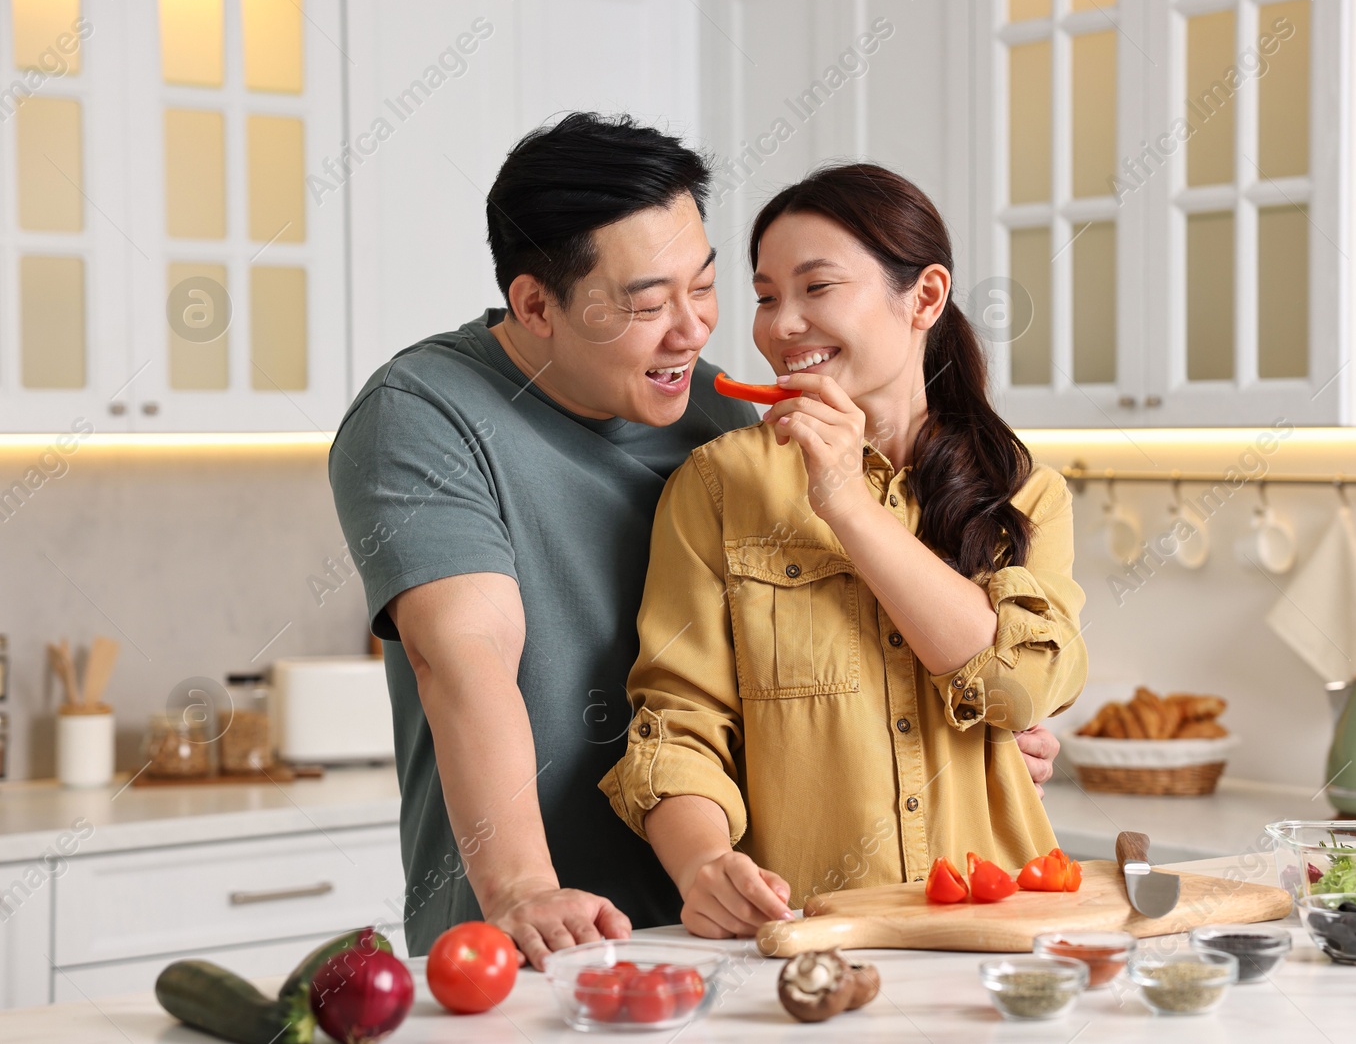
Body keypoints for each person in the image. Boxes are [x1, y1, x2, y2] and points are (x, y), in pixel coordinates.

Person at [328, 115, 1063, 967]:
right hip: (541, 937)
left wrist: (973, 734)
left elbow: (799, 647)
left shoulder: (715, 408)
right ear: (535, 305)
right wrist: (523, 885)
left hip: (722, 935)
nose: (693, 330)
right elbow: (464, 654)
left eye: (707, 287)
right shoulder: (422, 414)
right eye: (647, 305)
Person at [603, 163, 1089, 939]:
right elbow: (679, 727)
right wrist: (701, 865)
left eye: (816, 288)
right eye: (765, 297)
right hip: (811, 934)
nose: (780, 325)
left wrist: (846, 503)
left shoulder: (1024, 493)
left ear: (924, 297)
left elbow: (1018, 687)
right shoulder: (718, 487)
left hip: (1003, 931)